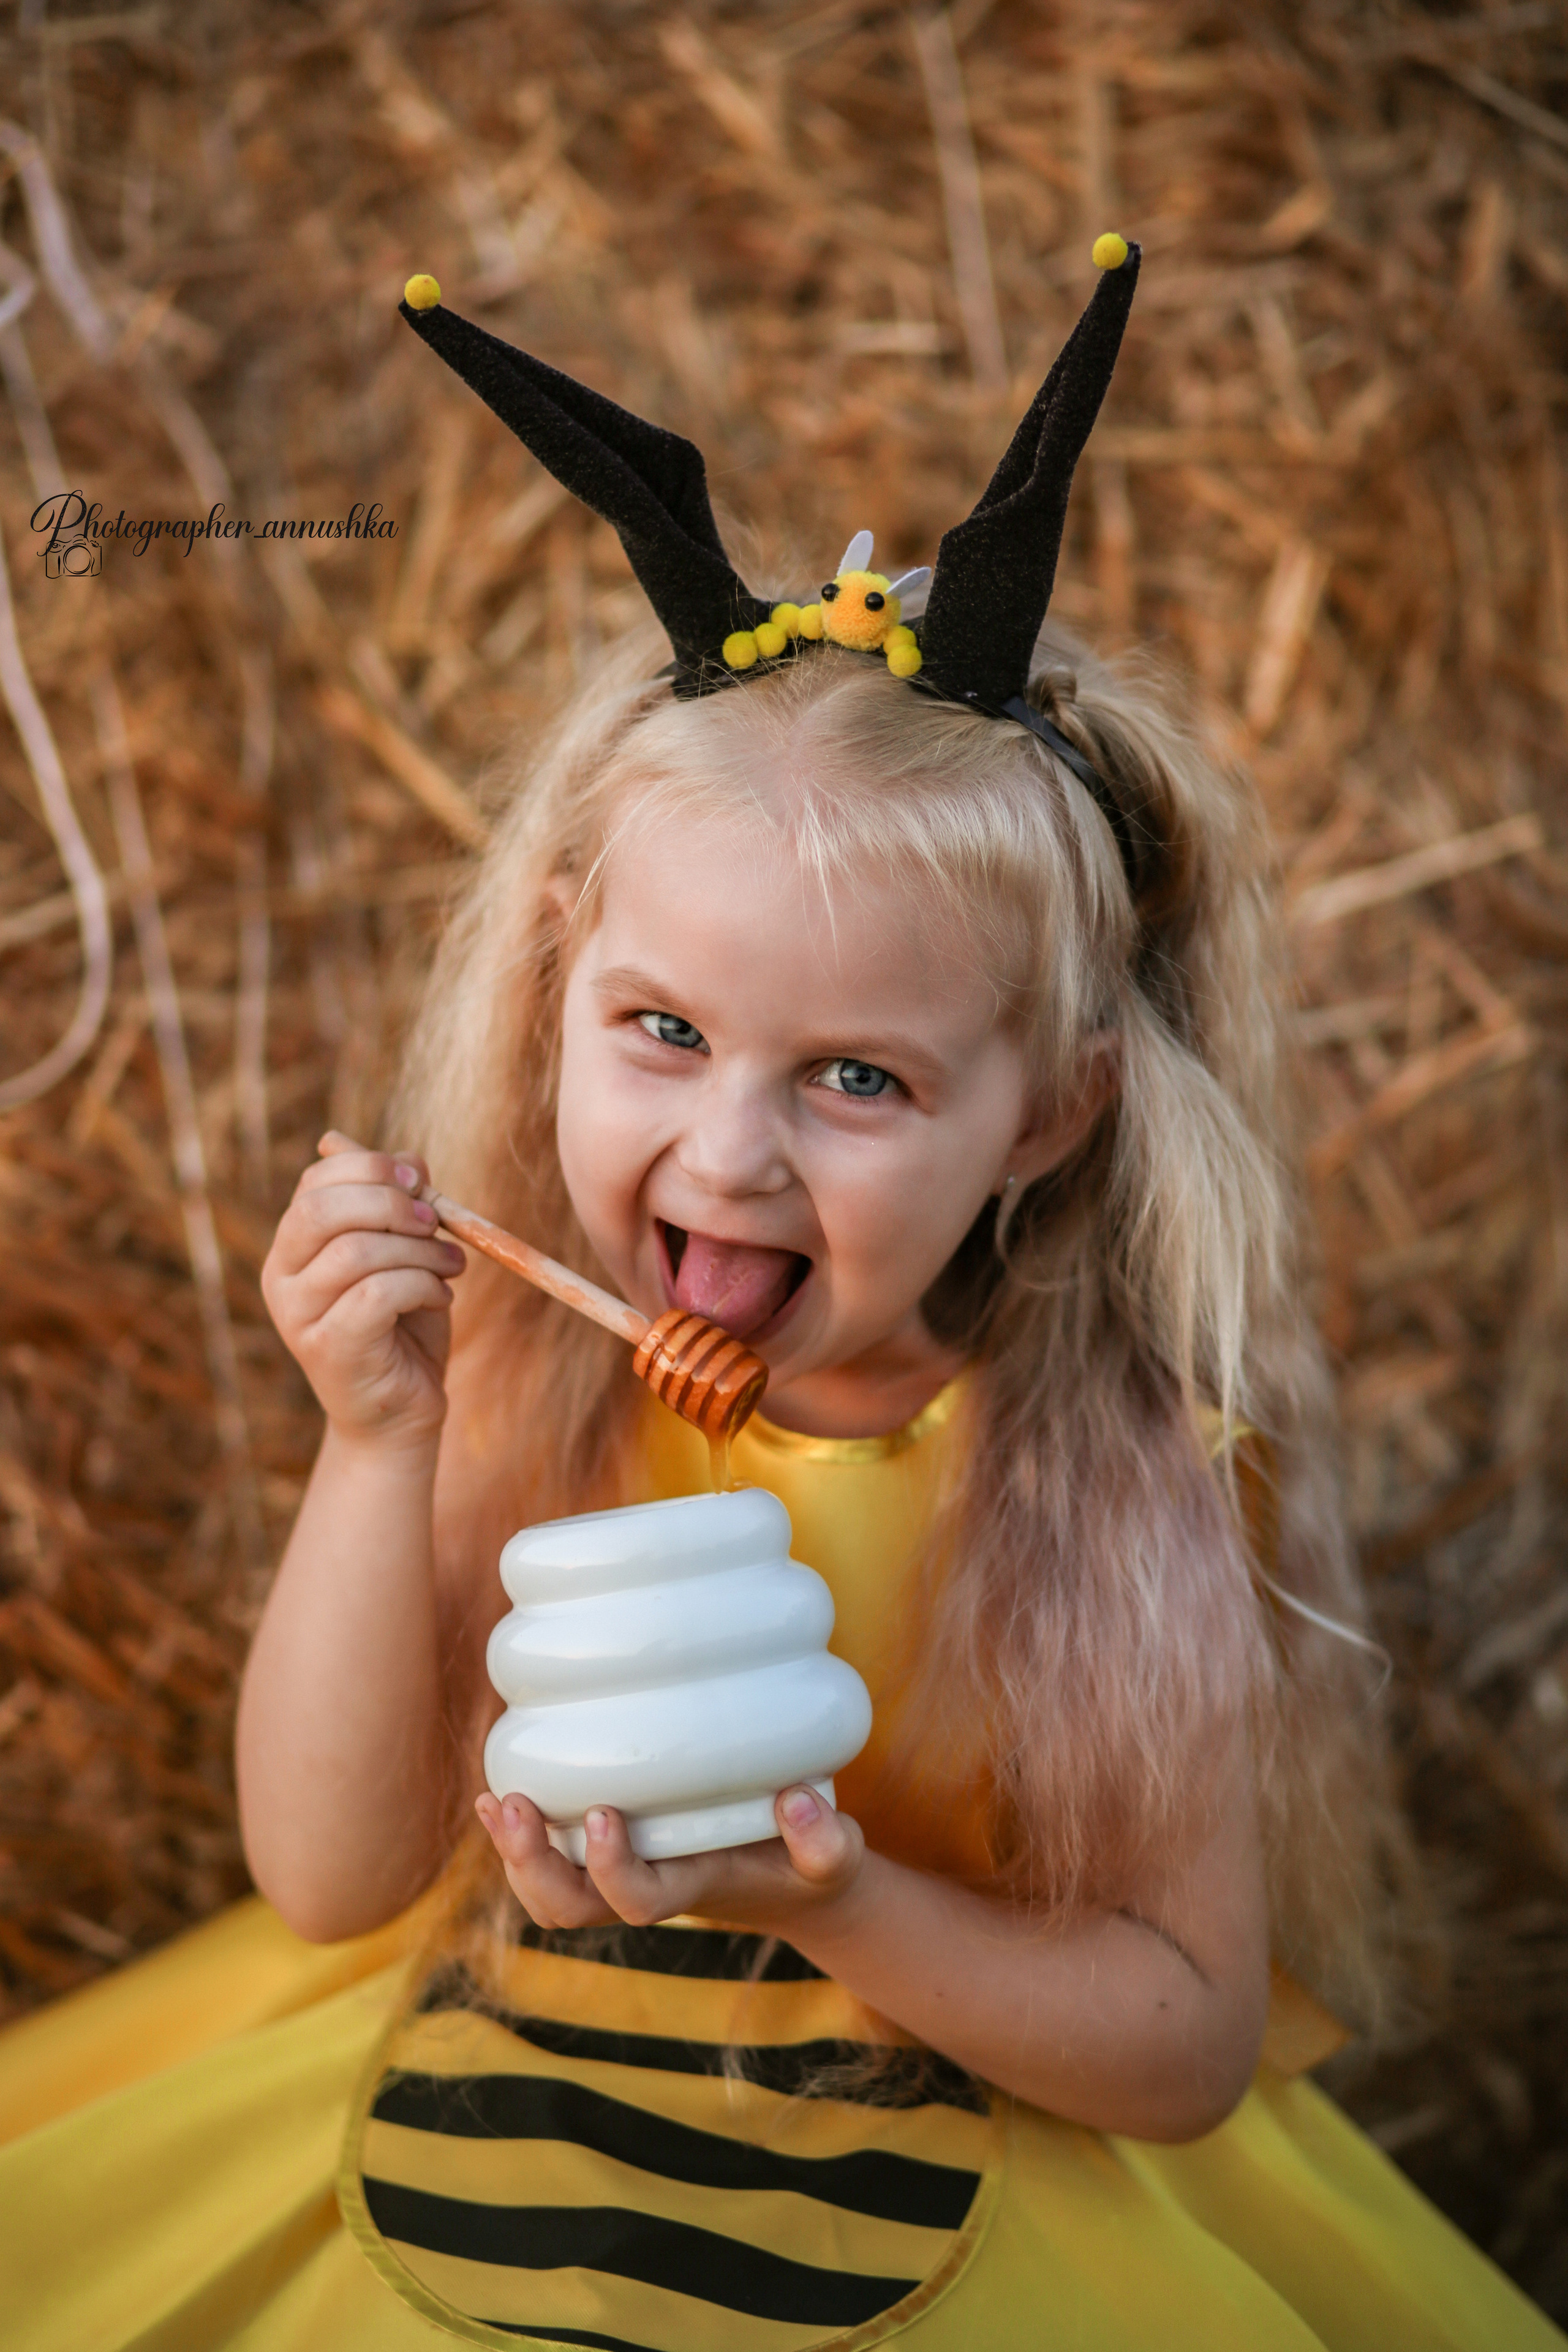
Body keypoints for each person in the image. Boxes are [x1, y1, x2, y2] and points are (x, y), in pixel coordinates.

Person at [2, 246, 1559, 2352]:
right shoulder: (519, 1374)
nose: (731, 1156)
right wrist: (377, 1442)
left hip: (949, 2179)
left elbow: (1182, 2041)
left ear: (1049, 1112)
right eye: (660, 1030)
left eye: (856, 1080)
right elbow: (331, 1876)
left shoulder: (1125, 1480)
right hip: (486, 2115)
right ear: (562, 975)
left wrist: (824, 1898)